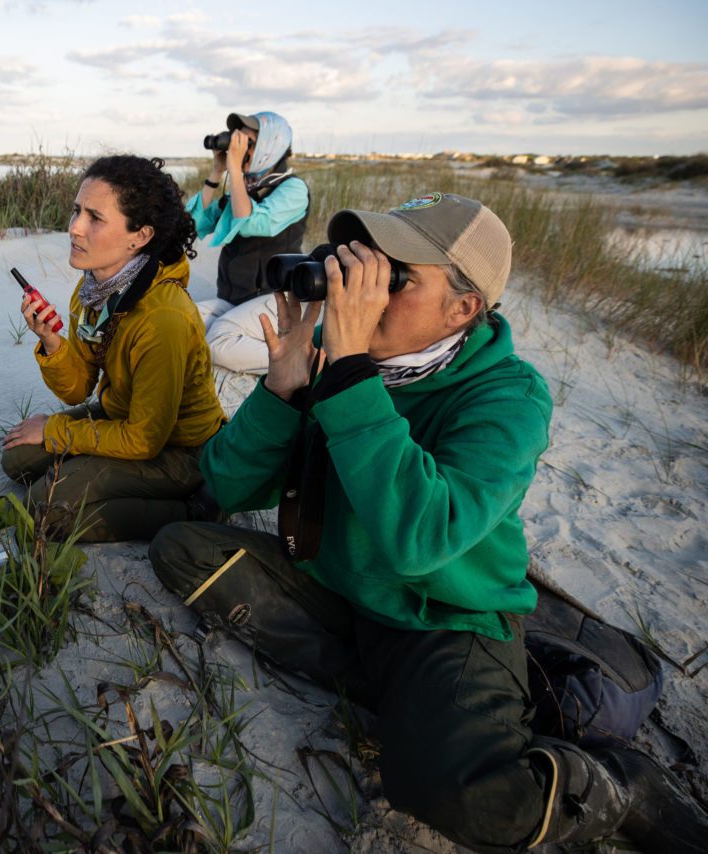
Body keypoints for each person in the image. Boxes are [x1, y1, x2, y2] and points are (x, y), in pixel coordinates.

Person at [149, 193, 707, 851]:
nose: (362, 291)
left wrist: (348, 379)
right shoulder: (337, 355)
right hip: (340, 589)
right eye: (360, 267)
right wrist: (283, 391)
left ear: (463, 308)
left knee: (463, 798)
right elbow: (229, 482)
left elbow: (424, 540)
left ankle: (621, 785)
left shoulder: (507, 396)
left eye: (396, 278)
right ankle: (400, 692)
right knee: (182, 549)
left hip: (439, 615)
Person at [0, 155, 226, 543]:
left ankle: (196, 508)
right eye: (76, 212)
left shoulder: (164, 319)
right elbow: (77, 388)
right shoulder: (93, 290)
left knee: (46, 508)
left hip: (180, 451)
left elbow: (144, 439)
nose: (74, 228)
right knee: (17, 460)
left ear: (139, 237)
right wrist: (51, 342)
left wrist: (56, 430)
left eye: (94, 218)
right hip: (119, 415)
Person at [188, 111, 309, 374]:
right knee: (181, 320)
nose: (240, 150)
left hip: (275, 298)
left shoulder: (293, 189)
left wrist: (234, 169)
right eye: (237, 142)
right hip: (235, 299)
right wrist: (217, 172)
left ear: (271, 145)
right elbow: (195, 224)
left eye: (249, 144)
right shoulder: (244, 187)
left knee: (219, 340)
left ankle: (305, 361)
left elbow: (252, 221)